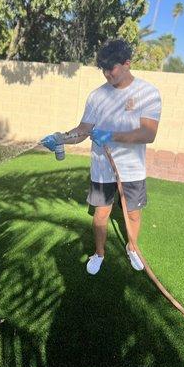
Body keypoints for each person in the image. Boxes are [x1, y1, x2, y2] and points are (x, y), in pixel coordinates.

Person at [40, 39, 162, 275]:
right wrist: (61, 138)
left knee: (133, 213)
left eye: (111, 68)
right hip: (101, 168)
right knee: (101, 213)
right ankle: (99, 253)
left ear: (127, 64)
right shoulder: (96, 96)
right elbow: (83, 130)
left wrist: (111, 135)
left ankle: (132, 247)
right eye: (103, 69)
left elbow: (149, 133)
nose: (106, 74)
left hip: (132, 169)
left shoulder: (148, 92)